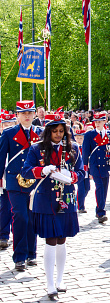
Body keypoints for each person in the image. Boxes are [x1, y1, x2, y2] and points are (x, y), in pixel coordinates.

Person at [21, 114, 85, 300]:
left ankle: (59, 279)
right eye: (54, 131)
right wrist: (42, 170)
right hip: (46, 199)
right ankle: (49, 283)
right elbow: (26, 171)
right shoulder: (36, 149)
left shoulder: (73, 149)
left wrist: (71, 176)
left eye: (61, 131)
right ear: (48, 132)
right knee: (50, 239)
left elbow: (81, 171)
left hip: (66, 197)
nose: (58, 134)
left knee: (62, 239)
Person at [0, 101, 43, 271]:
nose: (27, 116)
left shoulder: (40, 133)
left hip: (34, 182)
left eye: (30, 113)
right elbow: (1, 157)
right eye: (23, 113)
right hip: (14, 181)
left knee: (32, 218)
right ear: (17, 115)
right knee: (20, 217)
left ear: (34, 114)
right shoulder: (9, 134)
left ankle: (31, 254)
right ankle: (19, 256)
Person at [82, 111, 110, 224]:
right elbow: (85, 152)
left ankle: (99, 209)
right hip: (95, 164)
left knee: (105, 188)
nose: (97, 123)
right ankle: (101, 212)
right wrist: (85, 167)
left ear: (105, 121)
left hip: (106, 164)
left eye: (100, 121)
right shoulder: (89, 135)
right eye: (96, 121)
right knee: (99, 186)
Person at [0, 114, 17, 249]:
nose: (8, 126)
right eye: (6, 123)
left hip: (16, 178)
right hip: (4, 178)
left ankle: (14, 233)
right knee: (5, 207)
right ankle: (4, 235)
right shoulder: (4, 136)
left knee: (17, 209)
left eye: (11, 123)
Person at [74, 130, 90, 214]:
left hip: (86, 169)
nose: (79, 140)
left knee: (87, 188)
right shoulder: (74, 147)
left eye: (81, 138)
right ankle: (81, 206)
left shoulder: (86, 147)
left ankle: (77, 200)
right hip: (78, 170)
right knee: (81, 188)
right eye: (78, 138)